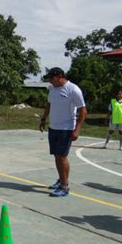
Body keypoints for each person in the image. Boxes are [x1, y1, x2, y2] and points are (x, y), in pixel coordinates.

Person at [39, 67, 87, 197]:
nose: (50, 81)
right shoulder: (52, 89)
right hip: (53, 127)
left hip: (66, 129)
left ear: (60, 76)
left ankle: (64, 187)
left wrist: (77, 129)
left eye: (51, 78)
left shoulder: (73, 89)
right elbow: (49, 105)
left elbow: (83, 110)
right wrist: (43, 120)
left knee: (62, 156)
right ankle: (61, 179)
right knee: (56, 155)